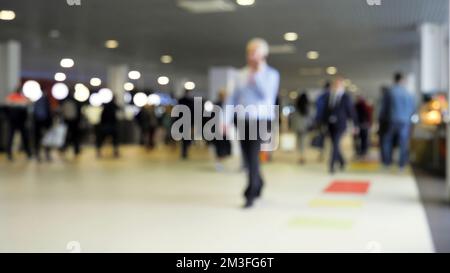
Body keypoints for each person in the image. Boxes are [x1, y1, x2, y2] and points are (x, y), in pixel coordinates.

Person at [224, 38, 280, 208]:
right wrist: (224, 120)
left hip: (261, 120)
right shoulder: (239, 75)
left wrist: (257, 74)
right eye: (250, 52)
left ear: (264, 54)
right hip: (242, 119)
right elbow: (231, 99)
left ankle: (250, 192)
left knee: (253, 155)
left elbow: (266, 95)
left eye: (256, 52)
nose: (252, 55)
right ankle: (259, 182)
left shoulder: (271, 74)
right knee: (247, 157)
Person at [321, 77, 358, 174]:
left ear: (342, 86)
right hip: (330, 124)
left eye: (339, 84)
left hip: (341, 124)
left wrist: (355, 124)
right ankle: (342, 161)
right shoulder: (329, 96)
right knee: (335, 144)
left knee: (335, 144)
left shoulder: (346, 97)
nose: (336, 86)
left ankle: (331, 166)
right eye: (335, 84)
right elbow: (325, 110)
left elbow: (351, 111)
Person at [381, 72, 416, 170]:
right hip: (405, 122)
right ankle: (401, 164)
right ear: (402, 80)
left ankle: (387, 163)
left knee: (387, 141)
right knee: (403, 143)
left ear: (394, 79)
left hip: (391, 120)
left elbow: (384, 109)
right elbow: (413, 109)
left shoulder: (390, 91)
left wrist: (381, 121)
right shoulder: (408, 93)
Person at [5, 86, 32, 161]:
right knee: (11, 137)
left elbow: (29, 102)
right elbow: (8, 102)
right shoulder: (12, 96)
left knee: (24, 137)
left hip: (21, 121)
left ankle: (28, 153)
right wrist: (21, 103)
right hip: (13, 120)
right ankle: (9, 154)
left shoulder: (22, 97)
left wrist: (17, 103)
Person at [211, 89, 232, 171]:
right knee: (219, 147)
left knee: (227, 146)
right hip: (217, 129)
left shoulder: (228, 105)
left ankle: (221, 160)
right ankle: (218, 163)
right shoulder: (215, 105)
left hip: (225, 129)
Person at [60, 90, 82, 158]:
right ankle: (73, 149)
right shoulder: (74, 102)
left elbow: (63, 112)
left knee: (69, 136)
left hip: (70, 121)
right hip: (72, 121)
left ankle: (67, 148)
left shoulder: (66, 101)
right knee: (72, 136)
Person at [33, 91, 53, 162]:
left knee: (38, 138)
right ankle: (46, 154)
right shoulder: (45, 100)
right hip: (45, 123)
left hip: (37, 122)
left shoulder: (37, 101)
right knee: (46, 139)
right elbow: (49, 112)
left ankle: (37, 154)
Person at [291, 92, 310, 164]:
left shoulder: (297, 106)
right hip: (304, 127)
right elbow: (309, 118)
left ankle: (300, 156)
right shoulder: (306, 107)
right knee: (303, 141)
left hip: (297, 126)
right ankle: (302, 156)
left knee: (298, 141)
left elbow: (294, 118)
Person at [178, 89, 195, 159]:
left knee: (186, 138)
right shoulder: (183, 101)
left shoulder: (190, 101)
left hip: (186, 122)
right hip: (184, 122)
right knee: (185, 138)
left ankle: (185, 152)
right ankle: (184, 152)